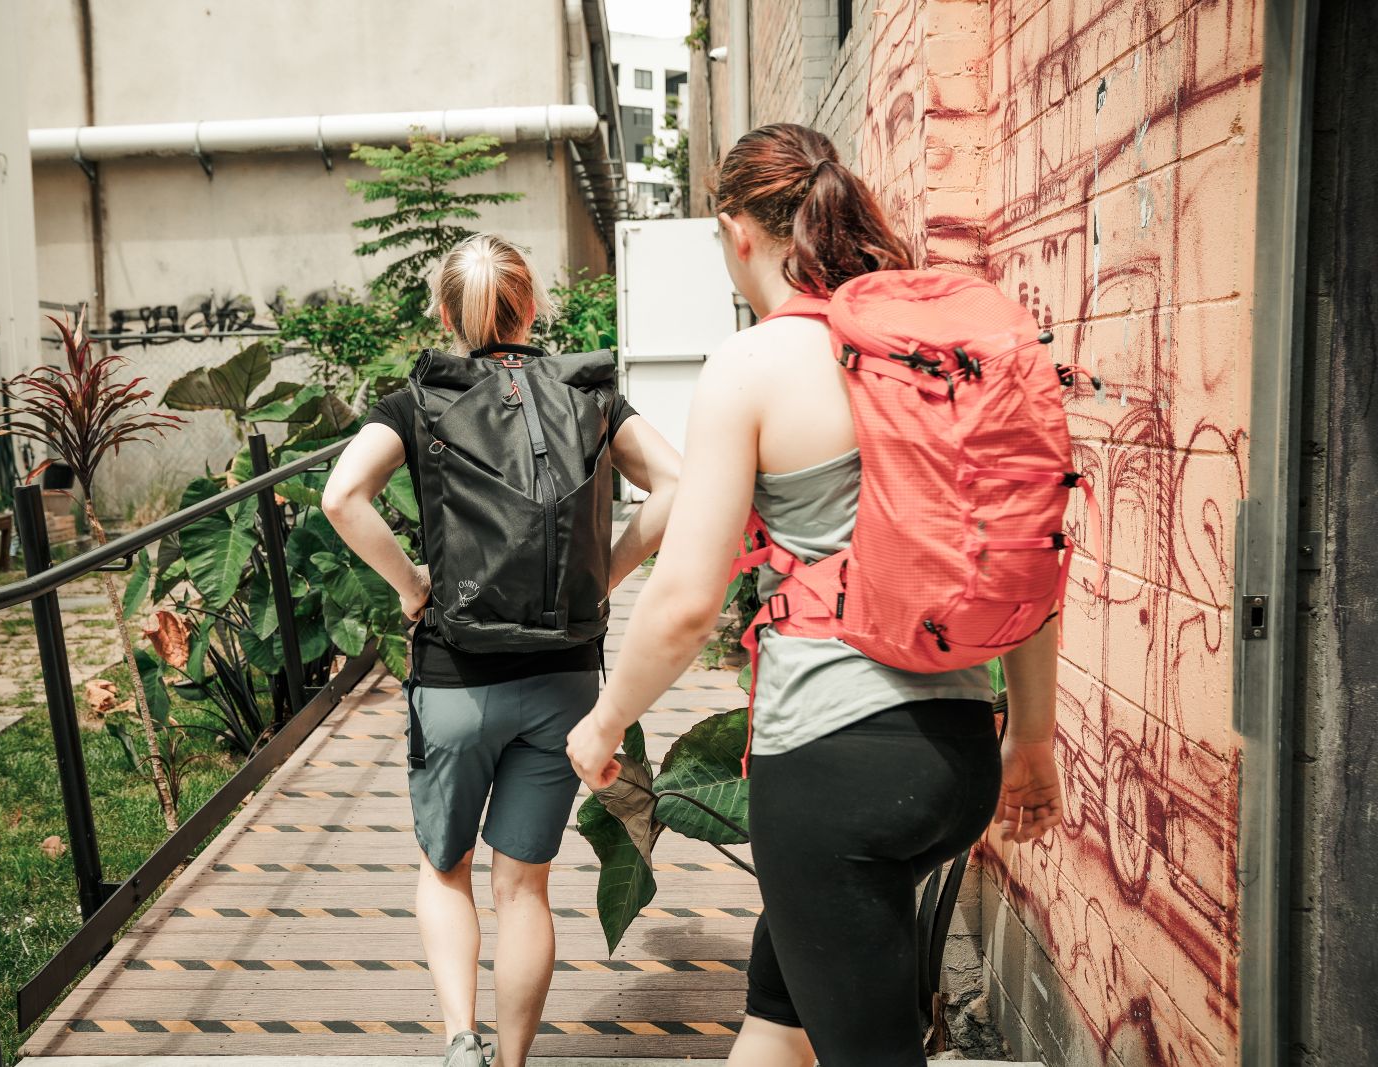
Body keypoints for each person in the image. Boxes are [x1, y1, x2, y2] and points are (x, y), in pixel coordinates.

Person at [565, 124, 1065, 1067]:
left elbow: (682, 603)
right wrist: (1030, 740)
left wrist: (604, 721)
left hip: (832, 775)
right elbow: (1023, 552)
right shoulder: (938, 359)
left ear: (735, 230)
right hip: (958, 754)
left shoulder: (753, 365)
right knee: (780, 1009)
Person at [323, 233, 681, 1067]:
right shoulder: (589, 393)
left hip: (456, 677)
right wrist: (608, 578)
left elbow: (343, 496)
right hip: (563, 679)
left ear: (448, 315)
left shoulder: (421, 397)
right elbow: (680, 483)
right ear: (535, 307)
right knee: (524, 885)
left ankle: (460, 1042)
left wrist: (415, 587)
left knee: (444, 867)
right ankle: (514, 1062)